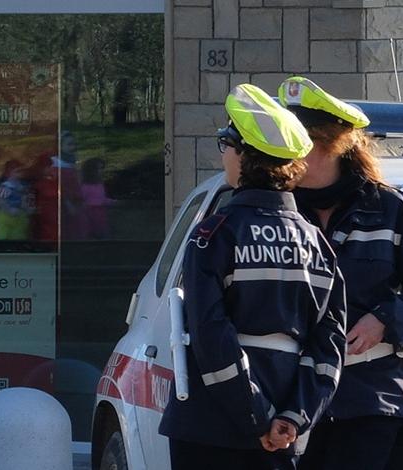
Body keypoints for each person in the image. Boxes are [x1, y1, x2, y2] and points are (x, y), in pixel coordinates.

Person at [158, 83, 347, 470]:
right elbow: (328, 349)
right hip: (282, 438)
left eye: (225, 142)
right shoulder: (317, 244)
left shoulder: (216, 234)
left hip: (213, 429)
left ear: (245, 156)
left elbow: (212, 335)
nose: (223, 153)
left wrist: (255, 416)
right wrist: (292, 418)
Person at [278, 76, 403, 470]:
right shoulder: (273, 210)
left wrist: (384, 320)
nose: (285, 154)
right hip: (282, 394)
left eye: (296, 142)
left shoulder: (393, 210)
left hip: (367, 397)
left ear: (328, 145)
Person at [0, 159, 34, 240]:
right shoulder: (6, 186)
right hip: (5, 217)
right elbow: (0, 200)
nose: (21, 173)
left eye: (21, 171)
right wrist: (8, 209)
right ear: (10, 172)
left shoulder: (23, 186)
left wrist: (27, 208)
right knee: (3, 239)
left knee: (19, 239)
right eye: (17, 171)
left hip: (20, 217)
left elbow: (26, 201)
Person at [80, 157, 112, 239]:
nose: (102, 171)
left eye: (102, 168)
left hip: (101, 217)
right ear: (91, 171)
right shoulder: (85, 186)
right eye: (99, 168)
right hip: (89, 218)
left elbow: (102, 199)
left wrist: (114, 202)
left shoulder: (100, 185)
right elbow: (81, 202)